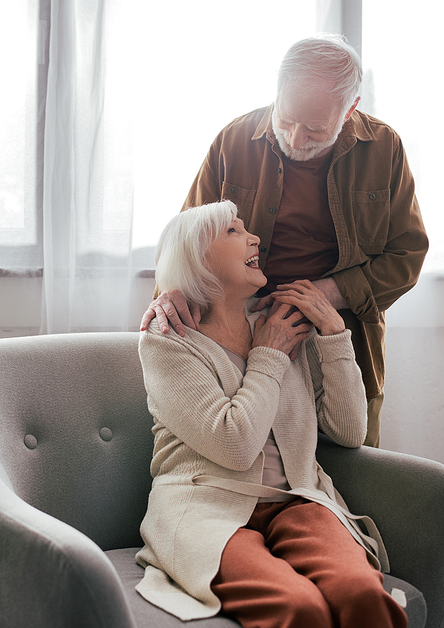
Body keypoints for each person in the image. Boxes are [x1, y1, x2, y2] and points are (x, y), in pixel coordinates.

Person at [141, 34, 428, 447]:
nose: (295, 141)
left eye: (314, 130)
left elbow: (408, 253)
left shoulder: (384, 149)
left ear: (350, 110)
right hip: (237, 340)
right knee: (245, 454)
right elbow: (187, 238)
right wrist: (170, 293)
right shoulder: (233, 140)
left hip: (339, 339)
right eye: (287, 119)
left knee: (346, 475)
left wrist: (325, 296)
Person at [136, 200, 407, 628]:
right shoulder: (170, 339)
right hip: (206, 509)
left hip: (298, 502)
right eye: (233, 231)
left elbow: (350, 431)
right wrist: (268, 354)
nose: (254, 237)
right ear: (196, 256)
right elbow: (236, 445)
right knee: (298, 608)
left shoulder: (281, 321)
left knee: (363, 596)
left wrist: (335, 334)